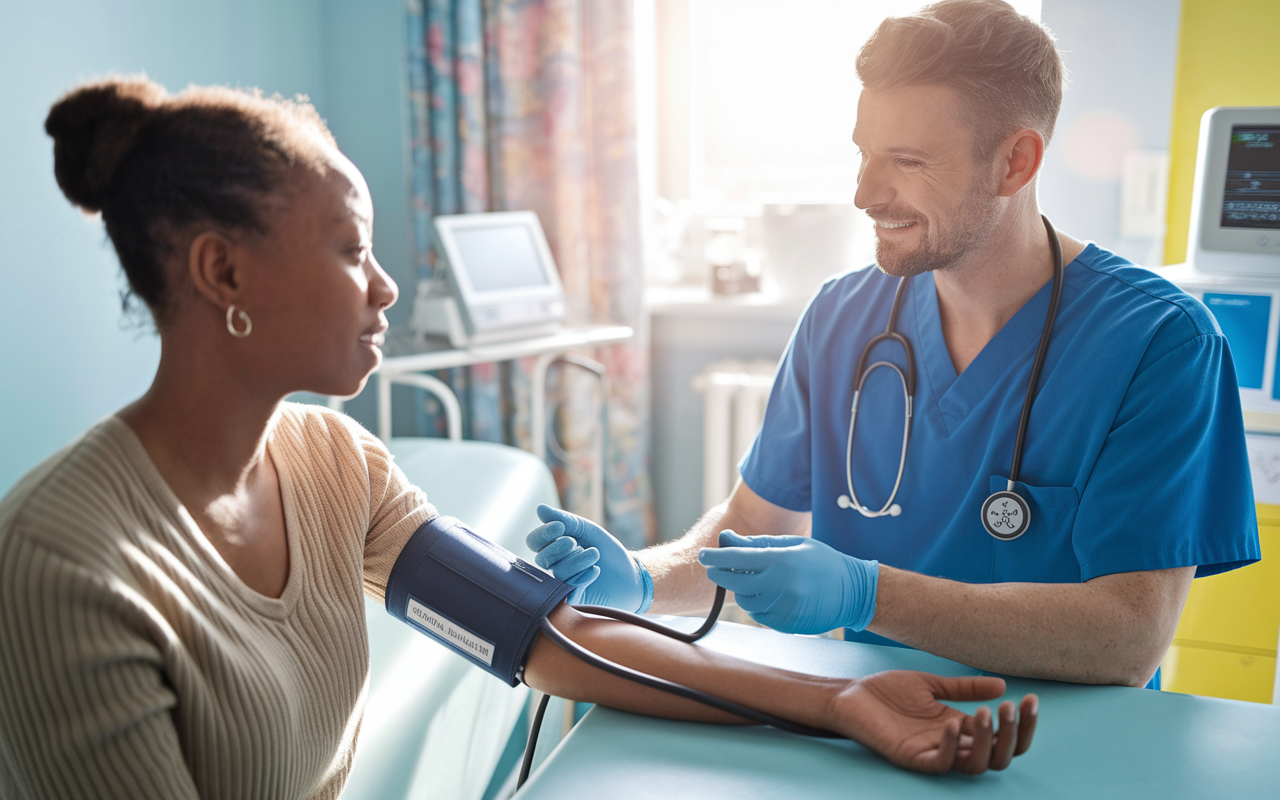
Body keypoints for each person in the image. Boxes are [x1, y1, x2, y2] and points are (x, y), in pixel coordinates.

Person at [0, 76, 1037, 800]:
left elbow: (539, 633)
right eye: (350, 248)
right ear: (223, 274)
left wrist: (841, 698)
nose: (385, 286)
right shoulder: (66, 565)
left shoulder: (329, 461)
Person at [527, 0, 1261, 691]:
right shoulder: (840, 316)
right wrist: (647, 581)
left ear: (1016, 163)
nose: (865, 193)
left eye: (907, 161)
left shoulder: (1162, 344)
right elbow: (751, 529)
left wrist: (866, 594)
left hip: (1062, 749)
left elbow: (1127, 642)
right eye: (864, 154)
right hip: (867, 723)